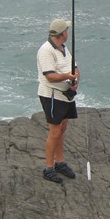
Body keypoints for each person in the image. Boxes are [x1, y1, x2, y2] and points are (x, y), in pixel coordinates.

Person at [37, 18, 80, 183]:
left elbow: (74, 68)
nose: (68, 33)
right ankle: (48, 168)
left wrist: (75, 82)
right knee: (55, 132)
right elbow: (50, 76)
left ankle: (60, 163)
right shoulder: (46, 51)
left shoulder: (63, 48)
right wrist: (68, 76)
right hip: (52, 95)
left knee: (62, 128)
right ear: (62, 34)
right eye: (66, 31)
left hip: (65, 94)